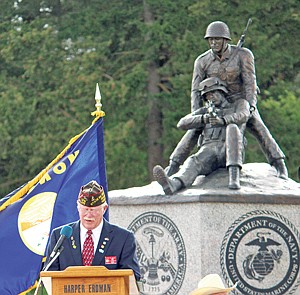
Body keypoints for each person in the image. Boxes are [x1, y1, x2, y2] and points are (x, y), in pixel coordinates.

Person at [166, 21, 288, 180]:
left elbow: (250, 83)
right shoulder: (202, 61)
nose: (213, 43)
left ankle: (279, 164)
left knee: (259, 126)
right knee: (193, 129)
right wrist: (196, 116)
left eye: (217, 39)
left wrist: (251, 106)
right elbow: (196, 91)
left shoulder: (243, 55)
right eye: (210, 40)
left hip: (240, 101)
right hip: (215, 102)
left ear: (225, 40)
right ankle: (173, 166)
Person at [153, 76, 250, 194]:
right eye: (207, 96)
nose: (210, 97)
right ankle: (174, 183)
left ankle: (234, 177)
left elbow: (244, 114)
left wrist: (223, 120)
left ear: (221, 91)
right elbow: (182, 123)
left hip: (229, 151)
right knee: (193, 160)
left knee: (232, 127)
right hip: (209, 152)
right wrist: (204, 119)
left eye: (213, 93)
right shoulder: (205, 111)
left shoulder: (238, 104)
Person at [44, 180, 141, 282]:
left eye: (93, 210)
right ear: (78, 207)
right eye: (85, 209)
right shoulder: (60, 236)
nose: (89, 215)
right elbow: (49, 274)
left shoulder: (123, 238)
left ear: (104, 209)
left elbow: (132, 276)